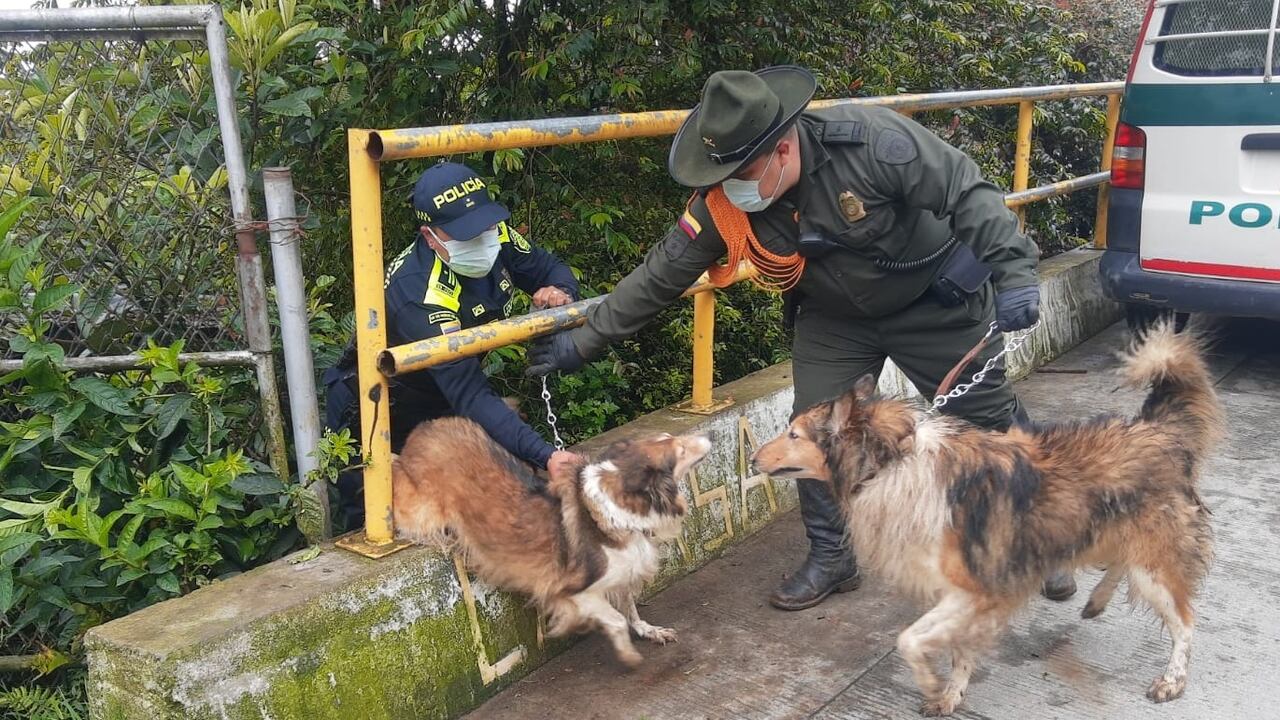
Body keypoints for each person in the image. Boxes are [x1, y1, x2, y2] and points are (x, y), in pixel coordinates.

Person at [526, 66, 1075, 610]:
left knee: (989, 424)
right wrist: (583, 344)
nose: (729, 188)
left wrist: (1016, 274)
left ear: (783, 149)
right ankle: (833, 557)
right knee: (809, 429)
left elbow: (968, 193)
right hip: (835, 318)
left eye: (741, 171)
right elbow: (661, 274)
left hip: (932, 300)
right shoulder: (725, 202)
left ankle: (1044, 539)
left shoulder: (874, 145)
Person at [324, 161, 581, 529]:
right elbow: (471, 396)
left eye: (485, 225)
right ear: (430, 237)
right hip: (377, 409)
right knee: (375, 523)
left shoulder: (498, 235)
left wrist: (561, 293)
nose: (483, 238)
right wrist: (546, 456)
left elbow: (547, 268)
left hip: (442, 396)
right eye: (465, 234)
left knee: (471, 498)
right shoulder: (420, 296)